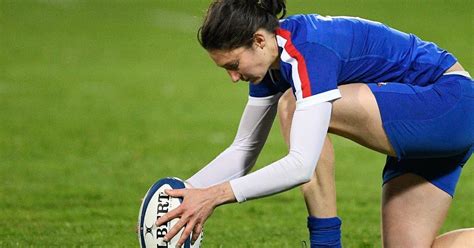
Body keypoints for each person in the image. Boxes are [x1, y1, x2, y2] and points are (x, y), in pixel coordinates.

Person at [155, 0, 474, 247]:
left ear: (259, 41)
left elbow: (301, 165)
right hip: (432, 113)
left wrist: (215, 195)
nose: (233, 78)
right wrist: (180, 195)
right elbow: (243, 151)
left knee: (293, 105)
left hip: (449, 103)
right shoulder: (273, 63)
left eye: (234, 65)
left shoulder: (306, 51)